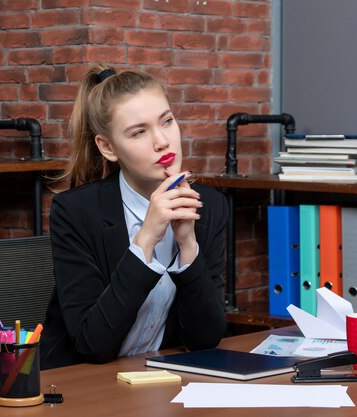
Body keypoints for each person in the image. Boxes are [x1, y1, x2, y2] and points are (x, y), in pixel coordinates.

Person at [40, 64, 228, 369]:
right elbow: (92, 345)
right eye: (139, 132)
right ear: (108, 147)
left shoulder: (210, 206)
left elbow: (205, 339)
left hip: (154, 381)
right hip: (78, 388)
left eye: (167, 121)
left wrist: (188, 246)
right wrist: (145, 241)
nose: (162, 141)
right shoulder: (75, 213)